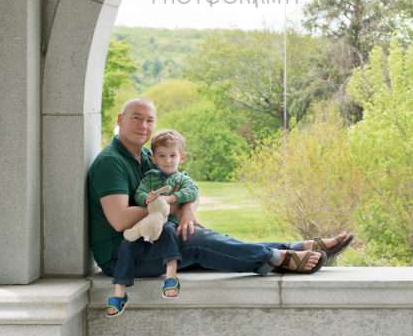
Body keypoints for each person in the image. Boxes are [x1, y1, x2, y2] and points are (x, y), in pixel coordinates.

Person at [87, 98, 354, 315]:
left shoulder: (147, 155)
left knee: (206, 237)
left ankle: (296, 248)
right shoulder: (111, 163)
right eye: (136, 117)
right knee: (200, 241)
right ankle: (276, 258)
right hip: (125, 255)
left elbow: (185, 185)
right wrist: (168, 207)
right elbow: (120, 219)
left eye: (150, 120)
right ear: (120, 119)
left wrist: (187, 208)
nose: (144, 125)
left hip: (154, 239)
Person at [103, 128, 199, 317]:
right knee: (127, 243)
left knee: (169, 232)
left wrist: (172, 198)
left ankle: (171, 275)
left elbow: (192, 192)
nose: (168, 160)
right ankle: (119, 292)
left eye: (173, 155)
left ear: (182, 157)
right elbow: (139, 193)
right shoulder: (150, 178)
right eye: (162, 156)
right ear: (154, 159)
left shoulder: (182, 179)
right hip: (146, 223)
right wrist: (147, 198)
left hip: (167, 222)